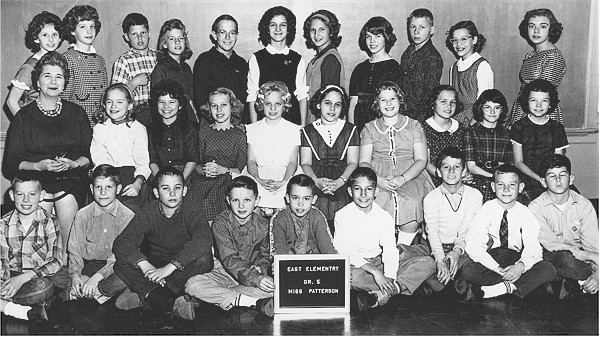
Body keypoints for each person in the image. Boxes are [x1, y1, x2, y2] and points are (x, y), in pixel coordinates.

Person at [3, 51, 92, 262]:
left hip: (70, 179)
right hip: (35, 179)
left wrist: (72, 164)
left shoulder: (76, 113)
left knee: (66, 202)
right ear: (37, 81)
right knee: (38, 202)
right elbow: (11, 165)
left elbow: (87, 156)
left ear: (65, 83)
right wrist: (39, 166)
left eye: (59, 76)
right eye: (47, 76)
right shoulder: (24, 117)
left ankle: (69, 268)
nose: (53, 81)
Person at [113, 166, 213, 320]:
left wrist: (170, 267)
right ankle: (167, 299)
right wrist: (144, 265)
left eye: (177, 188)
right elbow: (123, 242)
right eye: (165, 188)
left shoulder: (192, 209)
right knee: (121, 263)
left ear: (184, 191)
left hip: (183, 265)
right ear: (156, 192)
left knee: (205, 259)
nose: (172, 193)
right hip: (156, 263)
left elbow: (203, 239)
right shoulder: (148, 211)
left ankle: (151, 297)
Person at [333, 167, 435, 311]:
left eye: (368, 189)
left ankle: (385, 292)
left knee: (429, 263)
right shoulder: (342, 216)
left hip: (379, 261)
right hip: (358, 266)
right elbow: (345, 251)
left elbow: (389, 251)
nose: (363, 194)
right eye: (358, 189)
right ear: (350, 191)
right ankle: (404, 286)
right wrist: (375, 273)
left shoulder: (384, 217)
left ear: (376, 192)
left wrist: (389, 277)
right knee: (347, 277)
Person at [459, 164, 557, 301]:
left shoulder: (526, 213)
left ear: (520, 188)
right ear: (493, 187)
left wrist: (520, 267)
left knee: (548, 269)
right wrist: (497, 268)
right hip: (493, 259)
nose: (506, 189)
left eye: (512, 185)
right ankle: (520, 286)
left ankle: (500, 288)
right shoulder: (486, 210)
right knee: (468, 270)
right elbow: (474, 245)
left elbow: (533, 247)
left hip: (516, 258)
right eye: (501, 185)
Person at [185, 176, 274, 318]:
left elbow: (265, 255)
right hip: (224, 272)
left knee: (274, 291)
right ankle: (248, 301)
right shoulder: (220, 222)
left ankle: (219, 297)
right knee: (192, 284)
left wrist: (260, 267)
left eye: (247, 200)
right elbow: (230, 259)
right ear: (228, 201)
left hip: (250, 275)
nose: (241, 206)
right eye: (235, 200)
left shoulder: (264, 225)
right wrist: (256, 278)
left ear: (257, 201)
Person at [358, 81, 433, 246]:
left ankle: (403, 248)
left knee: (412, 202)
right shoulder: (369, 128)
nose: (389, 103)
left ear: (400, 100)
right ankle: (383, 249)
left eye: (393, 98)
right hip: (378, 173)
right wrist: (379, 179)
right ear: (377, 104)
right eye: (383, 100)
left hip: (411, 173)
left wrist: (403, 178)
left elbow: (421, 159)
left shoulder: (414, 126)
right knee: (378, 200)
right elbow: (364, 161)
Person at [404, 147, 482, 291]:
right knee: (418, 259)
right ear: (439, 172)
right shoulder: (431, 198)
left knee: (478, 255)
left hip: (463, 249)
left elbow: (467, 229)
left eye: (457, 167)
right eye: (446, 167)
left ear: (464, 171)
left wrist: (457, 252)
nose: (451, 171)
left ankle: (434, 282)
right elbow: (432, 232)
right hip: (435, 247)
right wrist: (439, 259)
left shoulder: (474, 195)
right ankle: (446, 280)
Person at [529, 154, 598, 297]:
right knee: (561, 260)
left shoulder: (584, 205)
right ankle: (580, 283)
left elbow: (593, 247)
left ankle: (575, 283)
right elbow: (552, 244)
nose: (558, 180)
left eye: (562, 175)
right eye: (551, 176)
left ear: (571, 178)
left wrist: (597, 272)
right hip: (552, 255)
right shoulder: (535, 207)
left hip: (580, 258)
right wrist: (588, 256)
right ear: (543, 181)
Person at [0, 172, 65, 322]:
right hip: (13, 275)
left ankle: (15, 304)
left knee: (45, 287)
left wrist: (24, 278)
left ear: (41, 195)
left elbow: (56, 261)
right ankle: (27, 308)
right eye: (20, 194)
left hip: (39, 276)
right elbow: (2, 262)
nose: (26, 200)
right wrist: (4, 288)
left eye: (32, 194)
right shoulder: (3, 224)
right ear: (12, 195)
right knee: (39, 292)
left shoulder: (50, 221)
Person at [66, 165, 134, 304]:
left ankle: (91, 291)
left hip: (115, 267)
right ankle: (97, 292)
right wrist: (75, 275)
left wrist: (97, 277)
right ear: (92, 189)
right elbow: (74, 249)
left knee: (126, 276)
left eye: (109, 187)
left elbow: (121, 256)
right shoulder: (82, 215)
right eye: (98, 187)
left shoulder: (128, 216)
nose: (103, 192)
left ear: (118, 189)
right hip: (90, 265)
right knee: (58, 275)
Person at [300, 85, 358, 230]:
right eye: (328, 103)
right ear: (319, 104)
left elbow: (352, 162)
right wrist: (316, 182)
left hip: (343, 178)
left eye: (337, 105)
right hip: (317, 177)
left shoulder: (350, 130)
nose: (332, 108)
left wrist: (340, 181)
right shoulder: (308, 131)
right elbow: (306, 163)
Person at [90, 83, 151, 213]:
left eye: (119, 102)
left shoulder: (138, 129)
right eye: (109, 102)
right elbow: (99, 158)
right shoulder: (100, 128)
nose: (113, 106)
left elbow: (143, 162)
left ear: (129, 105)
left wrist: (137, 184)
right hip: (105, 175)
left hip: (131, 177)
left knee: (130, 211)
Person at [245, 81, 301, 215]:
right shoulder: (253, 129)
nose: (273, 108)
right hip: (258, 174)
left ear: (284, 105)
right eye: (268, 104)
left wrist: (284, 181)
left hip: (286, 174)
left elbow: (293, 161)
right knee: (252, 200)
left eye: (278, 104)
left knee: (283, 205)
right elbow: (251, 161)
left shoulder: (293, 129)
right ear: (261, 105)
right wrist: (258, 179)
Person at [192, 88, 247, 224]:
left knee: (218, 198)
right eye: (214, 106)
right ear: (209, 109)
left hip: (228, 180)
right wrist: (204, 170)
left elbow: (242, 170)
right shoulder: (203, 133)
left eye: (223, 105)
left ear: (232, 107)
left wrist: (224, 170)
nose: (219, 110)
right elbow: (196, 164)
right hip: (204, 180)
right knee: (198, 200)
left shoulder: (239, 135)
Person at [247, 6, 309, 126]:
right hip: (264, 122)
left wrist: (302, 127)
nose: (278, 29)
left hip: (291, 122)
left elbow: (302, 96)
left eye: (283, 25)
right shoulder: (256, 58)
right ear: (267, 28)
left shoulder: (297, 59)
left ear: (289, 28)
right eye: (273, 25)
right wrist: (254, 128)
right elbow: (252, 96)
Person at [511, 79, 568, 205]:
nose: (538, 105)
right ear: (527, 102)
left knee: (572, 200)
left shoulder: (557, 128)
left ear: (550, 104)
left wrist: (551, 179)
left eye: (544, 101)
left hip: (551, 175)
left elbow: (558, 160)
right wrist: (540, 179)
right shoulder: (519, 127)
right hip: (527, 177)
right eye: (533, 100)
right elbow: (518, 162)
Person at [508, 8, 565, 126]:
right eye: (531, 26)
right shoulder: (532, 55)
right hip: (524, 108)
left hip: (540, 113)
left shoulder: (553, 57)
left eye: (543, 26)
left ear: (551, 29)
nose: (536, 31)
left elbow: (542, 94)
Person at [348, 16, 402, 133]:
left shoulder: (394, 68)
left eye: (378, 36)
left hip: (382, 125)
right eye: (368, 37)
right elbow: (352, 103)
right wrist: (352, 132)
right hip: (359, 123)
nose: (372, 41)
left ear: (386, 38)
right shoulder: (359, 68)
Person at [5, 11, 63, 119]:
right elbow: (11, 101)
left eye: (54, 34)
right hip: (34, 119)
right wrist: (25, 126)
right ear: (36, 38)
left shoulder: (58, 62)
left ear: (60, 38)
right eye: (45, 35)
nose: (51, 39)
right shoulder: (31, 66)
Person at [193, 15, 248, 126]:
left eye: (232, 33)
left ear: (237, 36)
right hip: (212, 122)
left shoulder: (241, 63)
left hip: (238, 123)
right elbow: (200, 97)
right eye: (222, 32)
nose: (227, 37)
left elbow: (244, 96)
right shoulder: (204, 60)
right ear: (214, 35)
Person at [60, 5, 107, 126]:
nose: (89, 31)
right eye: (82, 27)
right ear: (72, 30)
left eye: (92, 26)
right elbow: (64, 98)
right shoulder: (68, 58)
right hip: (77, 121)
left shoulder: (100, 60)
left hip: (100, 121)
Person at [463, 89, 513, 202]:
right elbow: (472, 166)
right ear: (481, 108)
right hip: (479, 178)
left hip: (502, 178)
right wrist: (493, 178)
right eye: (487, 107)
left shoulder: (506, 134)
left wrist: (500, 178)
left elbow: (509, 163)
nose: (492, 111)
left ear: (502, 110)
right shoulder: (471, 133)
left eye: (497, 107)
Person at [111, 13, 158, 126]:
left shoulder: (158, 57)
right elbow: (115, 96)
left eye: (143, 33)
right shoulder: (123, 61)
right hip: (137, 112)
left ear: (149, 33)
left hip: (158, 111)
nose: (140, 38)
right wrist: (134, 83)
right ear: (126, 37)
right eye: (134, 34)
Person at [148, 80, 199, 185]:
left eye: (171, 102)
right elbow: (153, 161)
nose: (166, 107)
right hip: (160, 175)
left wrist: (179, 182)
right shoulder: (151, 129)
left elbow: (192, 159)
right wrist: (161, 182)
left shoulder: (190, 128)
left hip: (185, 175)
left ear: (180, 105)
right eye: (162, 102)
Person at [272, 174, 337, 255]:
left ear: (313, 200)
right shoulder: (280, 218)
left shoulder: (317, 217)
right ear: (288, 198)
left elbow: (326, 247)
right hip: (288, 263)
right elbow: (279, 249)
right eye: (295, 198)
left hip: (313, 264)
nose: (300, 203)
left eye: (306, 199)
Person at [445, 20, 493, 128]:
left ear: (474, 40)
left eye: (463, 39)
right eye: (455, 40)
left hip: (475, 123)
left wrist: (471, 126)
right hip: (455, 121)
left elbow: (485, 104)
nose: (458, 44)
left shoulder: (482, 66)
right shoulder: (454, 67)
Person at [399, 8, 443, 124]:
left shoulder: (432, 57)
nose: (416, 32)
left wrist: (420, 121)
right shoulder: (407, 52)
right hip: (402, 113)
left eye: (422, 27)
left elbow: (430, 94)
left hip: (420, 118)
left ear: (432, 30)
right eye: (413, 27)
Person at [303, 10, 345, 125]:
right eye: (313, 30)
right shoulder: (320, 57)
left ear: (331, 31)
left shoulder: (330, 59)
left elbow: (330, 99)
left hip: (323, 121)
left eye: (322, 29)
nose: (316, 35)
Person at [151, 19, 197, 124]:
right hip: (169, 120)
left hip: (187, 119)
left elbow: (190, 98)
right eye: (172, 39)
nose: (177, 42)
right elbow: (157, 102)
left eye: (180, 38)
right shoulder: (161, 69)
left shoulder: (186, 68)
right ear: (165, 44)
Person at [422, 85, 466, 186]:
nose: (449, 106)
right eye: (443, 102)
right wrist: (442, 175)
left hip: (458, 177)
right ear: (433, 104)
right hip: (435, 178)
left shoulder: (460, 128)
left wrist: (463, 174)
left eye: (453, 102)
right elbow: (425, 162)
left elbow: (465, 157)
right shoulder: (424, 129)